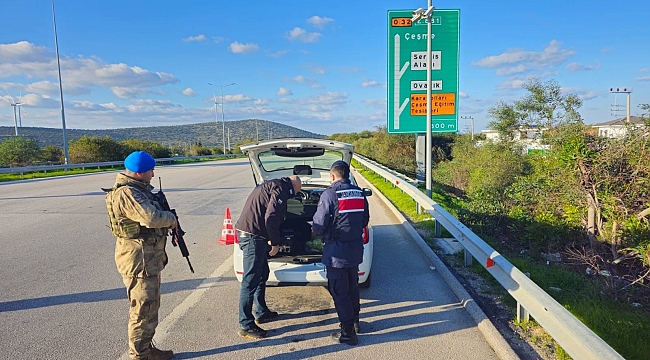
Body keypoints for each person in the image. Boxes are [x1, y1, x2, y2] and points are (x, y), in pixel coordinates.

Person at [104, 151, 177, 360]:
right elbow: (151, 218)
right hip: (139, 261)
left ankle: (145, 348)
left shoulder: (138, 190)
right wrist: (170, 218)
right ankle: (139, 354)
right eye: (150, 170)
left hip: (147, 259)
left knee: (150, 306)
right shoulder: (128, 193)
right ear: (138, 172)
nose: (153, 174)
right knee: (142, 309)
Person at [235, 175, 302, 339]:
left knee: (261, 274)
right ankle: (246, 324)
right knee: (250, 280)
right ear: (293, 185)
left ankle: (261, 311)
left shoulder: (271, 185)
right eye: (296, 192)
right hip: (252, 236)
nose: (294, 195)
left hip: (252, 234)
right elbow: (271, 217)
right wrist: (275, 242)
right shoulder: (281, 189)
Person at [312, 160, 370, 346]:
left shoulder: (330, 194)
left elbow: (319, 225)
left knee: (340, 292)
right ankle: (355, 322)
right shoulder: (360, 193)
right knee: (353, 287)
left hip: (336, 252)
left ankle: (348, 333)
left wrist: (312, 231)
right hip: (354, 250)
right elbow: (364, 220)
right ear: (347, 174)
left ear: (332, 176)